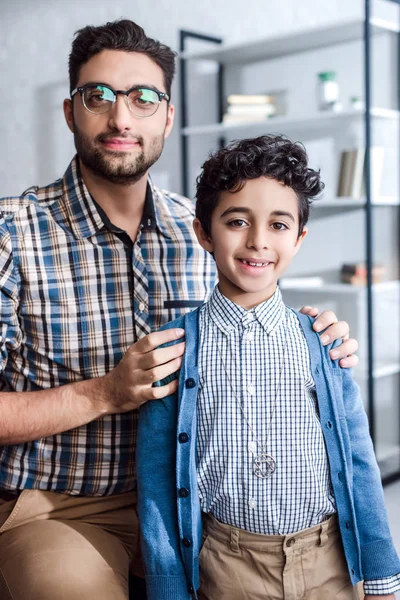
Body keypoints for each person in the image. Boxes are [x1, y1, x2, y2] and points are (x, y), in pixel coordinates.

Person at [0, 19, 358, 600]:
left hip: (198, 503)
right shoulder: (11, 232)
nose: (121, 119)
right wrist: (106, 392)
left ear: (166, 117)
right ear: (71, 112)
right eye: (99, 97)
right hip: (62, 508)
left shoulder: (207, 225)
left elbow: (259, 318)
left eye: (144, 99)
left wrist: (321, 337)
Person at [137, 135, 400, 600]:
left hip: (329, 563)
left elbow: (359, 462)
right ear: (204, 232)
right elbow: (157, 484)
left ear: (298, 239)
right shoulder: (173, 350)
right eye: (237, 221)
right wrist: (169, 589)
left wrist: (381, 578)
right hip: (227, 566)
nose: (258, 240)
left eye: (278, 225)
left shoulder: (322, 343)